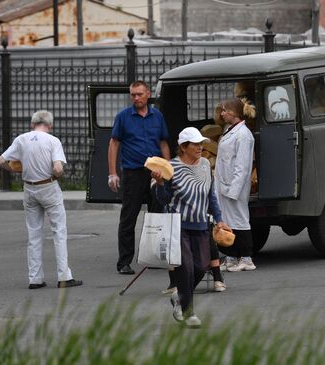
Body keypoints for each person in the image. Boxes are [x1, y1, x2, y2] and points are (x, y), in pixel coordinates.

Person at [150, 127, 230, 328]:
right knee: (186, 268)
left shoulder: (205, 165)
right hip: (179, 226)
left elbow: (210, 195)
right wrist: (160, 183)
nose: (200, 147)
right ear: (184, 147)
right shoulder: (172, 167)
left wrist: (219, 219)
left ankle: (179, 297)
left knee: (201, 268)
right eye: (195, 144)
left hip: (201, 225)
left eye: (201, 143)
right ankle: (189, 312)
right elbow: (164, 199)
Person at [0, 110, 83, 289]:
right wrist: (57, 172)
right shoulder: (53, 141)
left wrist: (14, 170)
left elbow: (0, 160)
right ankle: (64, 276)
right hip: (48, 187)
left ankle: (35, 278)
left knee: (34, 234)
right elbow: (58, 169)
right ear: (50, 126)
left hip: (29, 188)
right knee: (59, 231)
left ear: (32, 124)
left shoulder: (21, 139)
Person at [108, 80, 170, 275]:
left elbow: (163, 143)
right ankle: (124, 262)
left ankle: (153, 257)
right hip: (133, 172)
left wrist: (168, 170)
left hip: (155, 172)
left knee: (157, 214)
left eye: (140, 94)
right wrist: (112, 173)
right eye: (133, 95)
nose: (136, 98)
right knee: (129, 216)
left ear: (148, 94)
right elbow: (114, 144)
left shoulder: (157, 116)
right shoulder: (123, 117)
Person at [216, 98, 256, 272]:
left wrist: (233, 190)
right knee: (228, 221)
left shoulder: (244, 135)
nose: (222, 113)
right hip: (225, 185)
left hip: (234, 187)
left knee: (240, 221)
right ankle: (231, 257)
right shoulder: (229, 130)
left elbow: (243, 167)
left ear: (233, 112)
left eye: (225, 110)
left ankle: (246, 258)